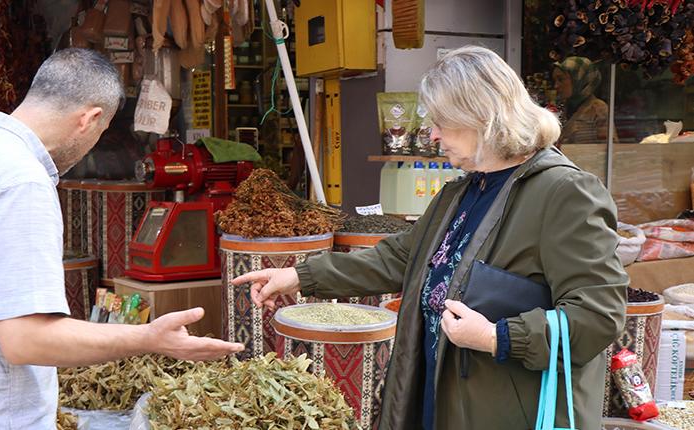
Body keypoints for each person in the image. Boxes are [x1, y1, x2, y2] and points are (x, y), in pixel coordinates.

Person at [233, 46, 628, 430]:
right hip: (442, 404)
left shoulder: (566, 193)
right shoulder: (463, 191)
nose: (433, 135)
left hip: (512, 414)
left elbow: (598, 316)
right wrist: (300, 276)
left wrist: (496, 337)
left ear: (480, 117)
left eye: (441, 121)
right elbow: (399, 258)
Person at [0, 48, 243, 429]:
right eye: (101, 131)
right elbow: (26, 339)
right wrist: (149, 337)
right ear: (89, 119)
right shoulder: (20, 180)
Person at [552, 56, 616, 146]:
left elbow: (609, 149)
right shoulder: (561, 108)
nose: (556, 86)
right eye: (555, 80)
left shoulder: (598, 109)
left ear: (578, 79)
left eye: (561, 79)